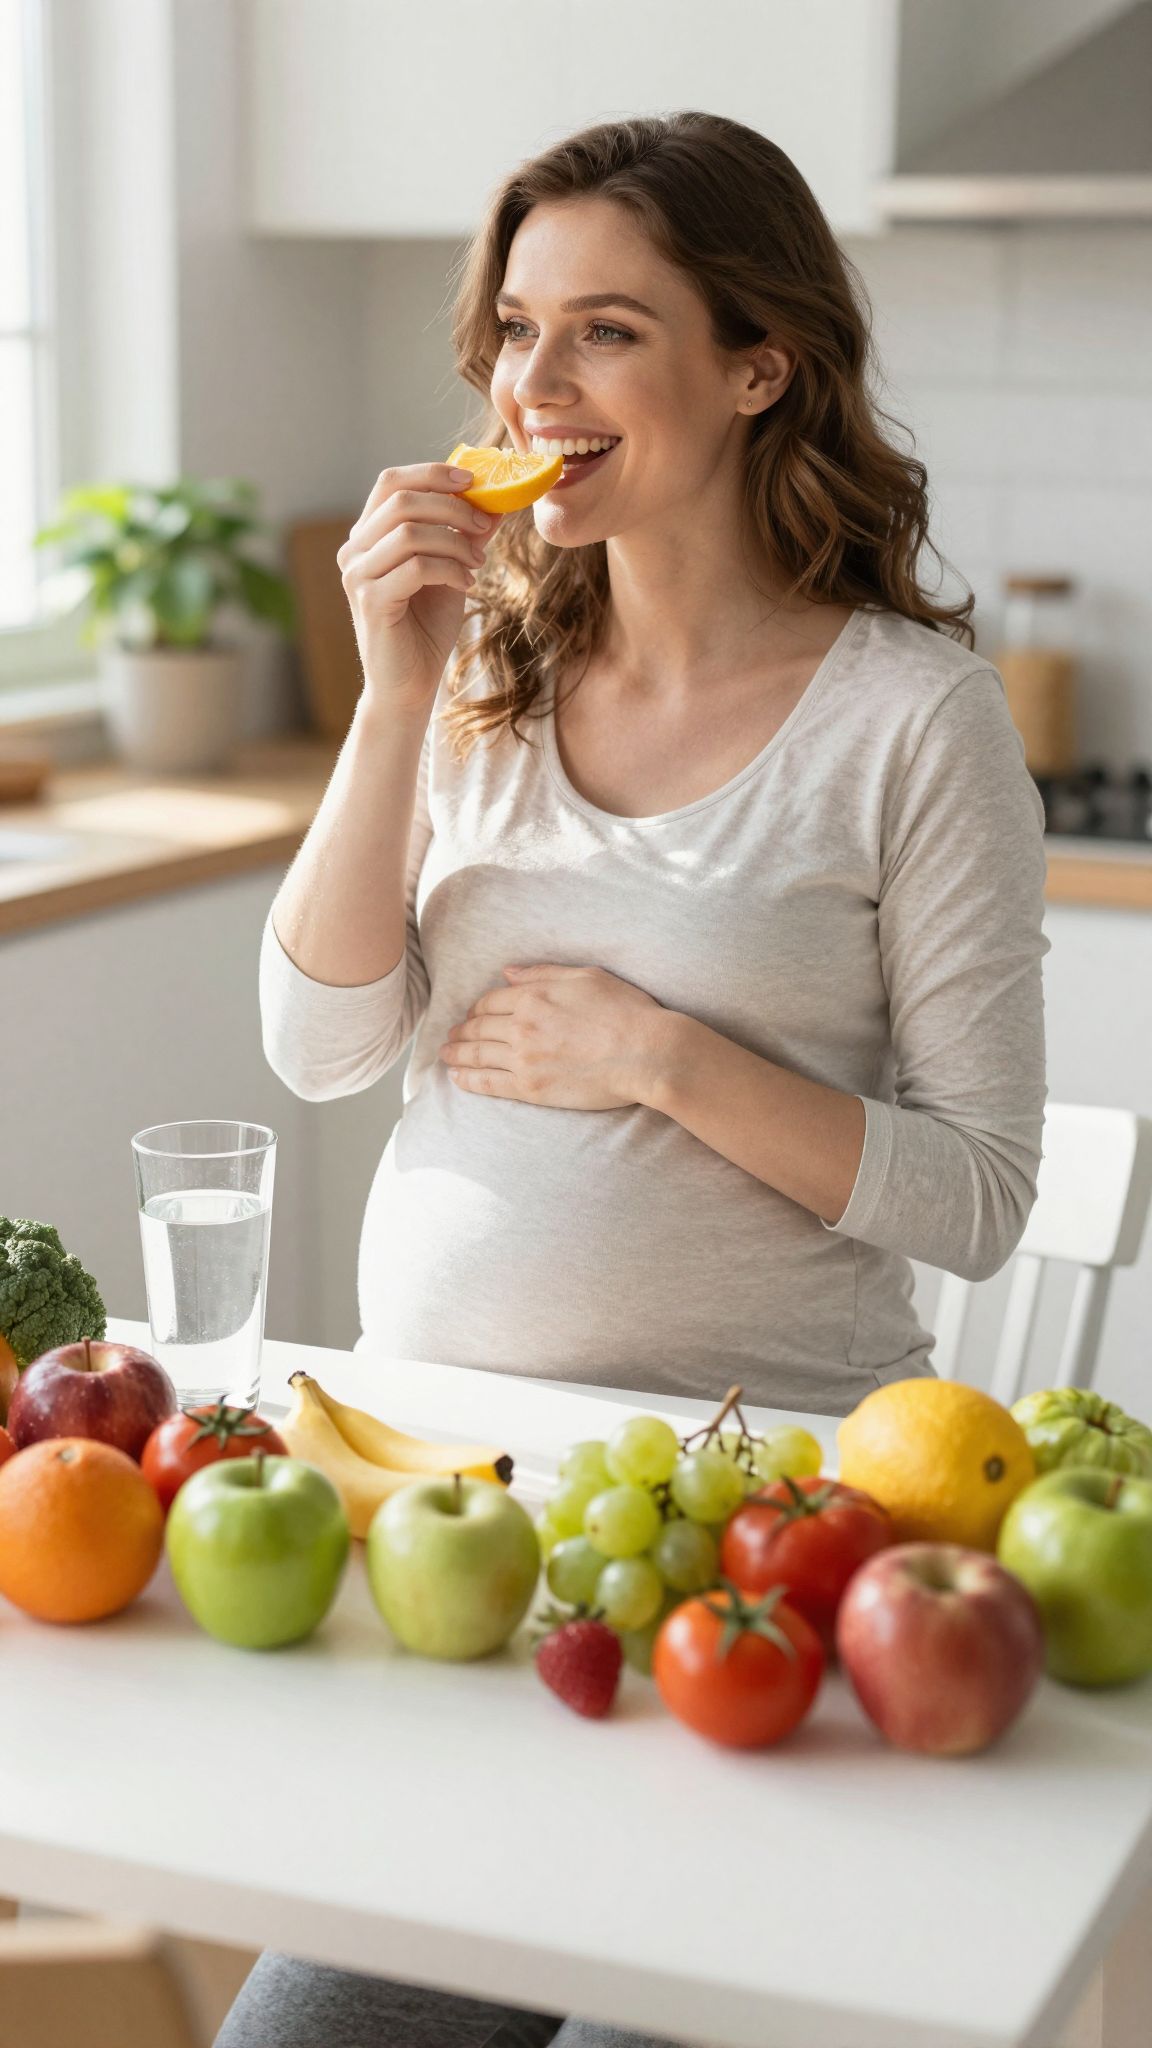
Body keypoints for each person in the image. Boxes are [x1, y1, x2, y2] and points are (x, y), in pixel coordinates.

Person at [218, 110, 1048, 2048]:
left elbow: (981, 1193)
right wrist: (396, 689)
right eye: (518, 329)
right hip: (450, 1523)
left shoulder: (912, 721)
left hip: (756, 1544)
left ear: (759, 366)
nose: (536, 383)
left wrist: (659, 1056)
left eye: (608, 331)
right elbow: (322, 1045)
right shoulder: (482, 673)